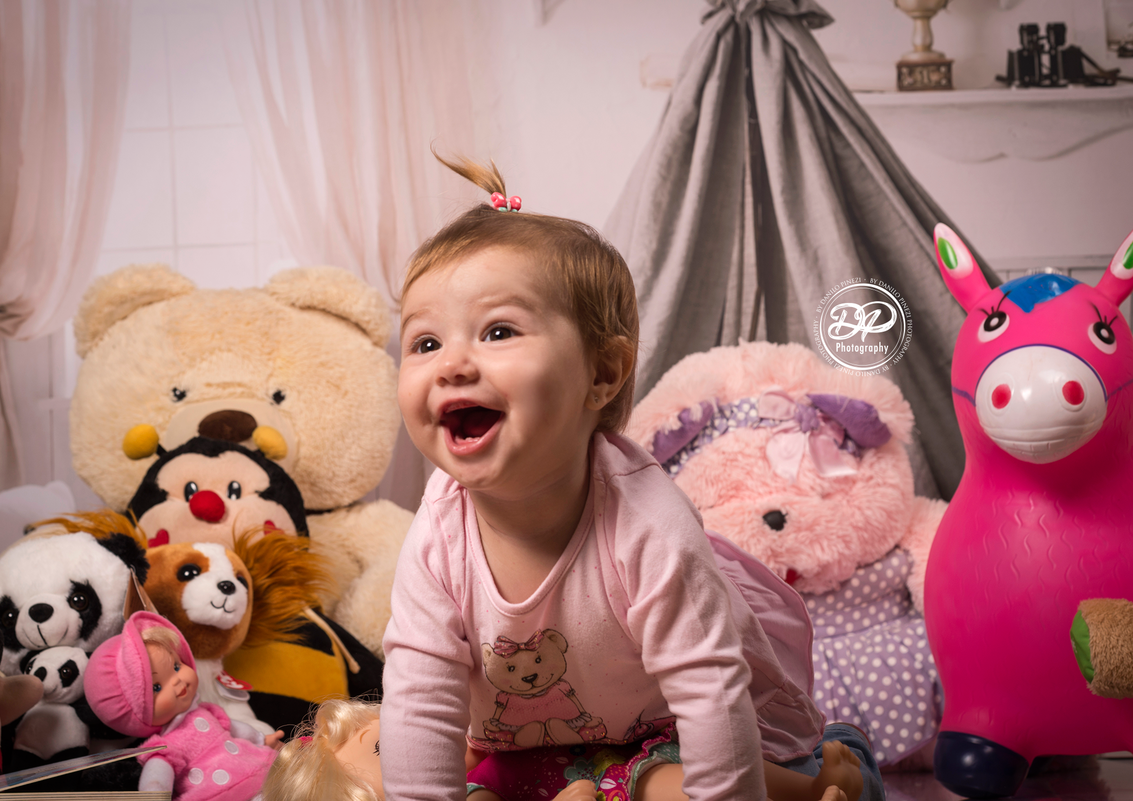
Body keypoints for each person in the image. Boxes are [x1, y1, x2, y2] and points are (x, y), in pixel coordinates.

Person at [378, 154, 837, 801]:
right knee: (373, 767)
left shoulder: (646, 520)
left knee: (671, 785)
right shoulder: (436, 532)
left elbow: (709, 690)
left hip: (664, 729)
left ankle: (823, 779)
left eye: (498, 331)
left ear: (602, 372)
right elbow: (420, 692)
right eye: (424, 343)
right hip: (528, 737)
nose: (451, 363)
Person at [261, 698, 864, 801]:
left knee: (706, 755)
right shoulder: (469, 792)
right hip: (612, 786)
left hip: (622, 746)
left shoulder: (468, 732)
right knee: (667, 785)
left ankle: (810, 788)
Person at [83, 610, 283, 800]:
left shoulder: (206, 711)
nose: (177, 681)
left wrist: (261, 739)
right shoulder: (164, 746)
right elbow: (156, 778)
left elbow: (235, 728)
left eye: (177, 666)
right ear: (136, 713)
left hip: (255, 766)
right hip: (217, 792)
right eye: (157, 687)